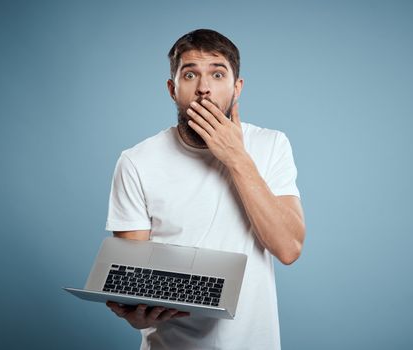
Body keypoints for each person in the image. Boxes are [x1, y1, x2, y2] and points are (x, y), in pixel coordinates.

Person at [105, 28, 306, 350]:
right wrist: (136, 316)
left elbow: (288, 248)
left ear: (237, 88)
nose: (204, 88)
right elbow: (133, 279)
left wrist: (237, 158)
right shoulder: (136, 161)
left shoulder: (271, 145)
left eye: (217, 73)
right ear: (173, 89)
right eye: (190, 74)